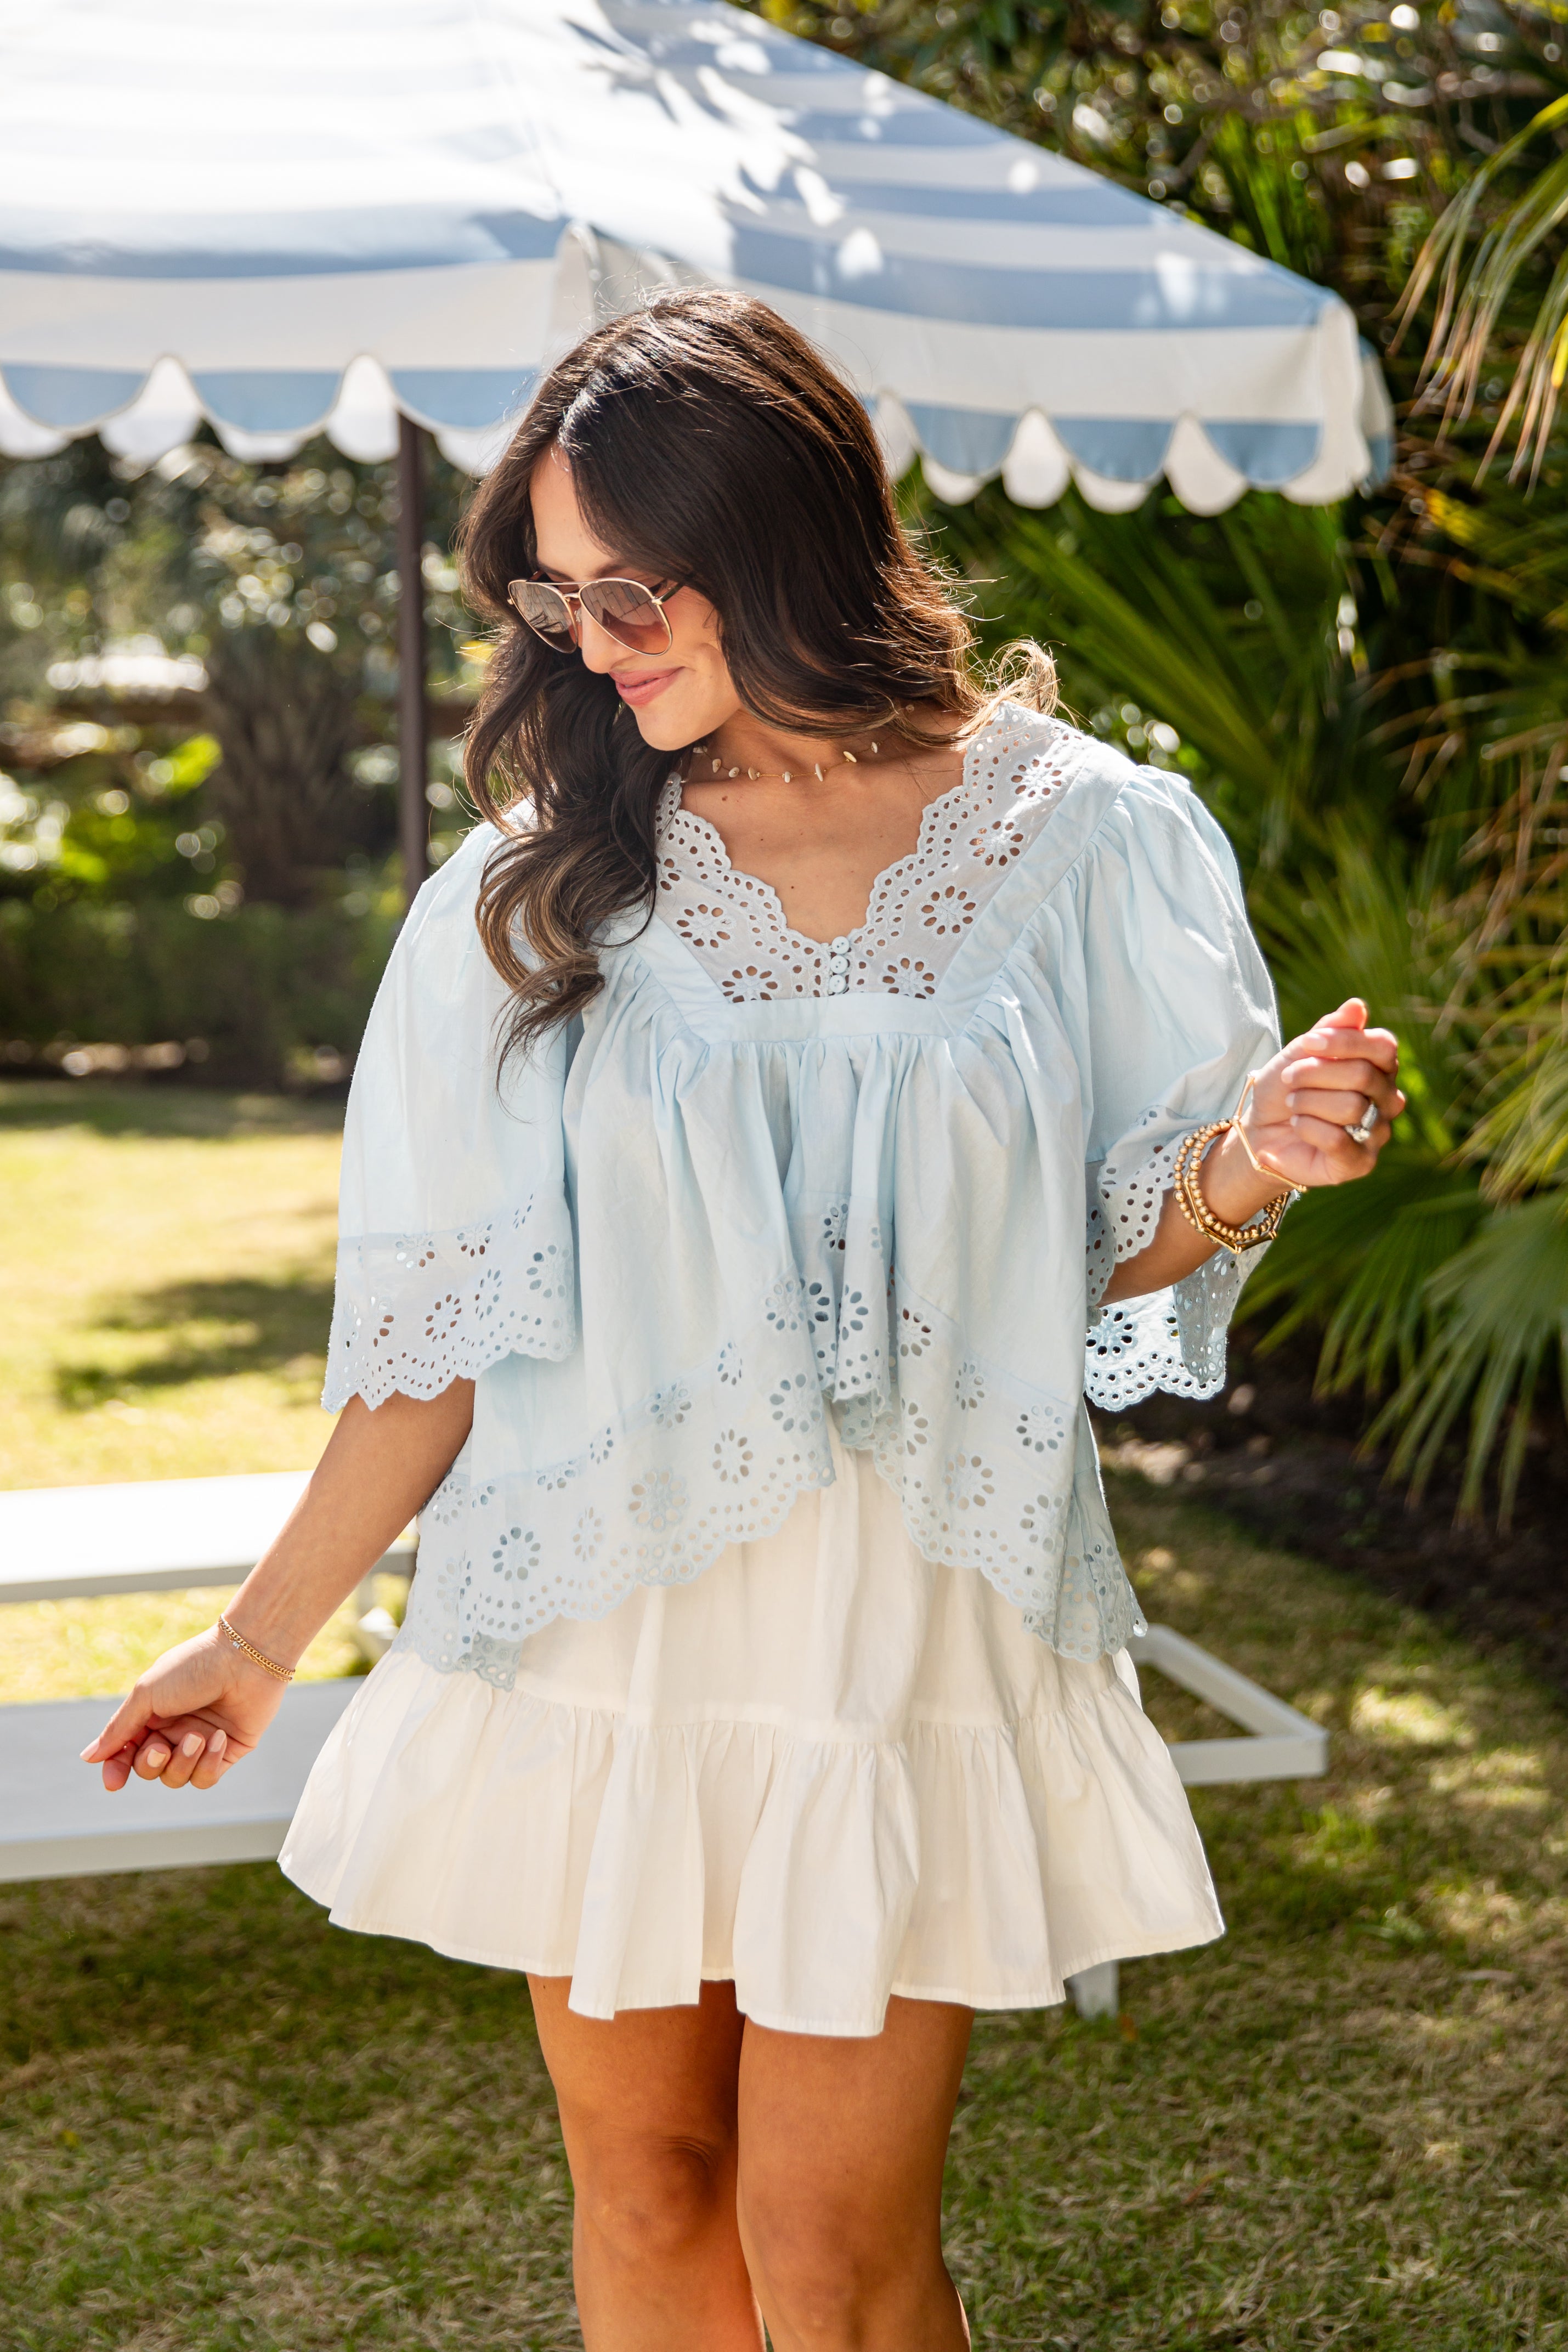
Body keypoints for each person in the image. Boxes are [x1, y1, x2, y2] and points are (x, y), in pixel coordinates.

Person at [82, 291, 1403, 2352]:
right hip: (601, 1618)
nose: (592, 650)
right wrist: (256, 1645)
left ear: (784, 532)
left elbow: (1106, 1229)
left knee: (836, 2250)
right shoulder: (535, 893)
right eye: (555, 602)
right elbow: (436, 1326)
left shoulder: (1085, 840)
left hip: (894, 1633)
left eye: (635, 594)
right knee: (649, 2190)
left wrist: (1249, 1165)